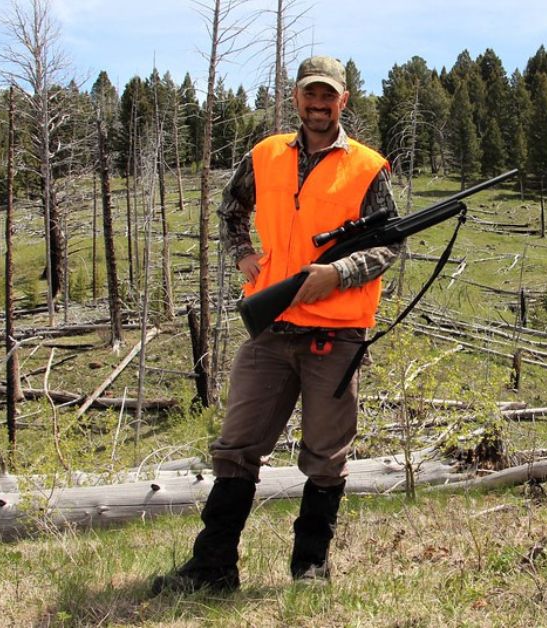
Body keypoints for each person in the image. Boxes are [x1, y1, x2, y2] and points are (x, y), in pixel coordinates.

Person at [152, 55, 401, 595]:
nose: (318, 104)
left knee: (325, 456)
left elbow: (389, 244)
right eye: (310, 95)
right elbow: (230, 209)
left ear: (343, 101)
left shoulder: (367, 166)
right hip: (270, 330)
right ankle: (212, 568)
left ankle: (309, 568)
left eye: (328, 96)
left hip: (335, 336)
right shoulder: (264, 155)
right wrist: (243, 253)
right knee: (236, 448)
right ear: (296, 99)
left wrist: (338, 273)